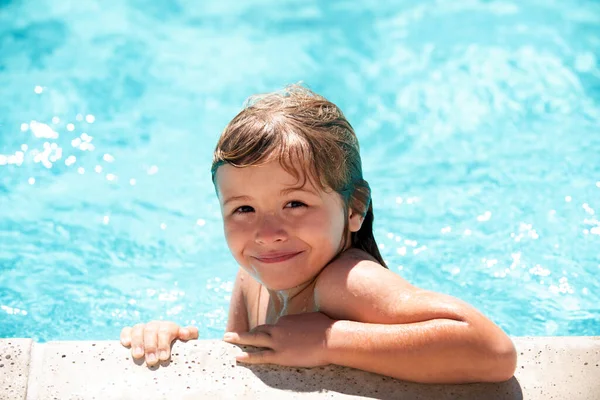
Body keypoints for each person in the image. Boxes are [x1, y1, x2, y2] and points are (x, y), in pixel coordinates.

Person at [120, 85, 517, 384]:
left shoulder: (345, 282)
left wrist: (330, 341)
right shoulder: (251, 277)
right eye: (244, 209)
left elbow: (492, 352)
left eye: (295, 204)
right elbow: (243, 359)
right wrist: (168, 338)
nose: (268, 233)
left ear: (354, 208)